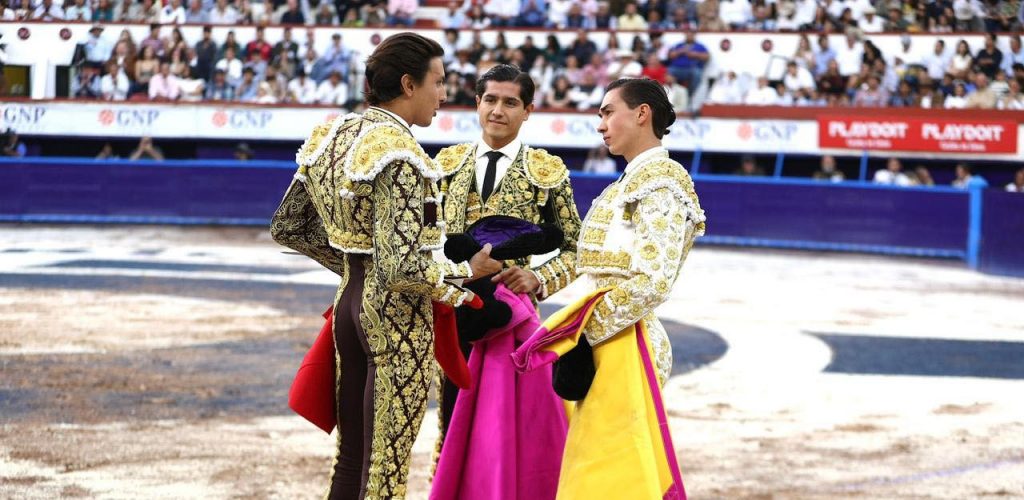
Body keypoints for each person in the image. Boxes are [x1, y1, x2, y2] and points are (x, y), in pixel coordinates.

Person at [269, 32, 502, 499]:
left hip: (348, 311)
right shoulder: (404, 154)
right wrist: (464, 276)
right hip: (395, 320)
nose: (443, 94)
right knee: (386, 468)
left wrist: (357, 269)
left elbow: (288, 227)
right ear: (407, 84)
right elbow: (403, 270)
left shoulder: (332, 136)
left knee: (351, 457)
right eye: (437, 82)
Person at [514, 77, 703, 499]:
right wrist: (543, 285)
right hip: (605, 343)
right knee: (597, 463)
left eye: (607, 111)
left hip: (628, 342)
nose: (600, 123)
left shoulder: (662, 186)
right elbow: (590, 266)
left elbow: (653, 281)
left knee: (613, 471)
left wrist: (584, 333)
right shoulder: (623, 187)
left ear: (641, 114)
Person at [431, 63, 582, 477]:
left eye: (510, 102)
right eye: (491, 100)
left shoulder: (547, 171)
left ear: (528, 110)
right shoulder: (445, 164)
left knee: (509, 423)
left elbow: (576, 248)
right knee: (451, 415)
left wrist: (539, 278)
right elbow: (425, 242)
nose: (499, 110)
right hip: (454, 306)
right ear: (477, 104)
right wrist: (458, 268)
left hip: (513, 315)